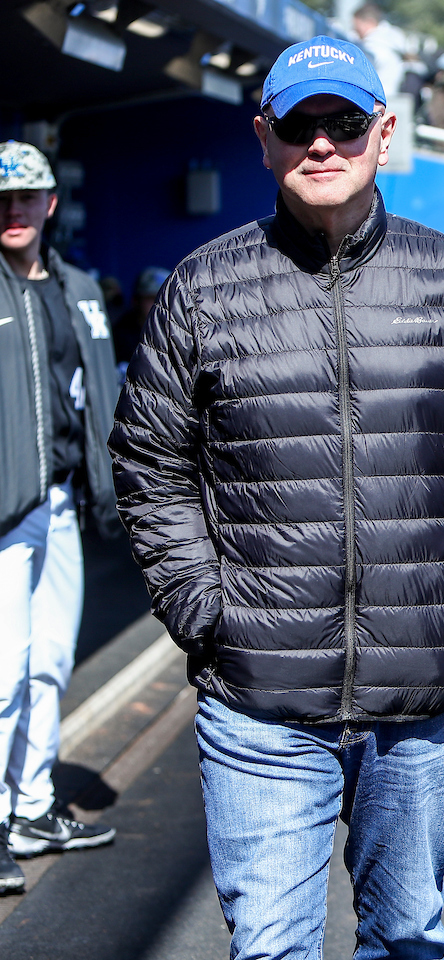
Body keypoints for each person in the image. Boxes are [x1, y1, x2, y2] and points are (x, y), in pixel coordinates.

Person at [108, 36, 444, 958]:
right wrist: (202, 608)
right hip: (258, 694)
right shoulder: (203, 287)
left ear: (384, 131)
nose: (323, 145)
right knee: (269, 948)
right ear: (264, 138)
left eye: (344, 123)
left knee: (408, 939)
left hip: (418, 693)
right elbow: (149, 462)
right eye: (299, 125)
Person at [0, 141, 120, 894]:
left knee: (48, 664)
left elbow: (102, 391)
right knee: (1, 673)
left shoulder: (78, 287)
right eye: (1, 199)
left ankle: (33, 807)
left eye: (25, 197)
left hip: (63, 502)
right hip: (4, 512)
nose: (13, 209)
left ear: (49, 204)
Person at [111, 265, 168, 378]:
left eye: (164, 298)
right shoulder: (119, 335)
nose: (160, 305)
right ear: (136, 301)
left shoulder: (181, 331)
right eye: (152, 298)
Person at [352, 3, 408, 104]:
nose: (355, 31)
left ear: (369, 22)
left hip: (374, 102)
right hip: (395, 99)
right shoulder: (393, 41)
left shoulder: (370, 47)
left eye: (357, 26)